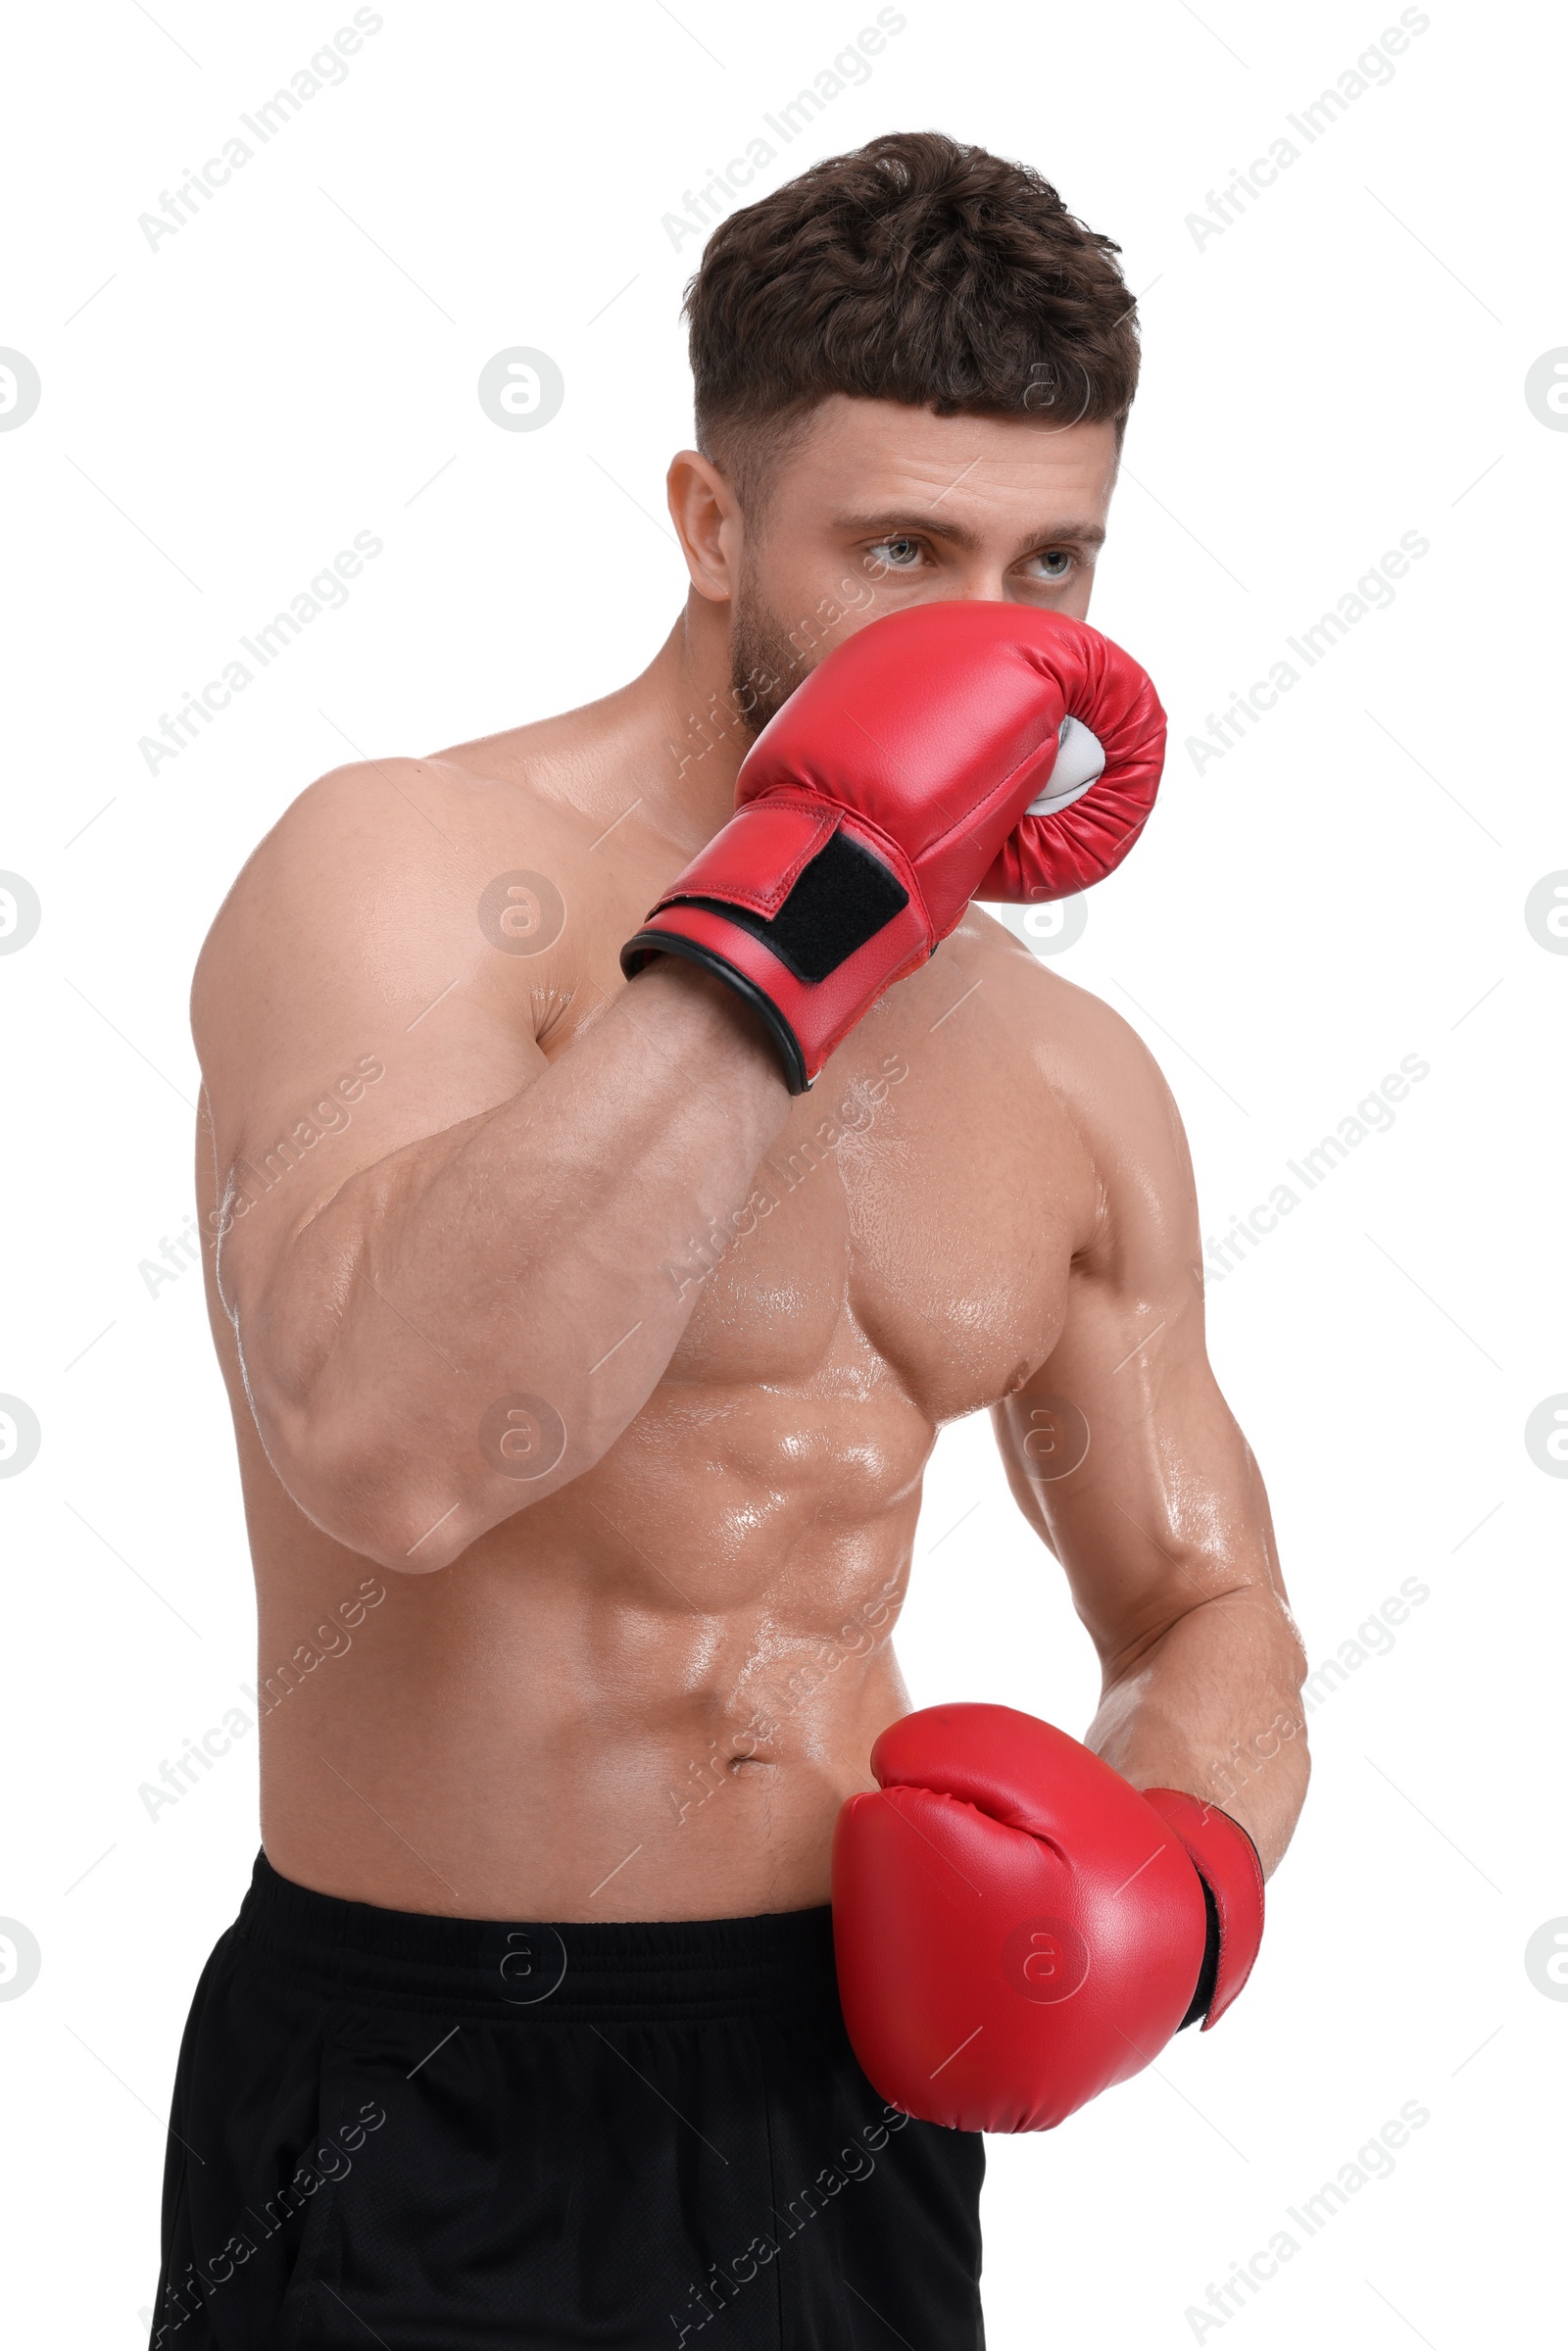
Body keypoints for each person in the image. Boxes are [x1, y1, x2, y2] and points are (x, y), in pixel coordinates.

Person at [153, 131, 1307, 2349]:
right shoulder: (398, 871)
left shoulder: (1067, 1076)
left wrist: (1186, 1868)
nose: (998, 646)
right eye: (901, 551)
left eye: (1049, 564)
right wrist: (800, 909)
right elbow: (396, 1448)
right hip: (429, 2084)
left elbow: (1197, 1596)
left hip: (842, 2107)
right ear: (706, 526)